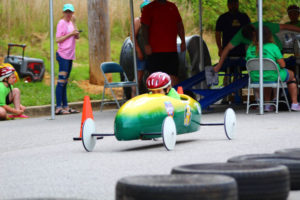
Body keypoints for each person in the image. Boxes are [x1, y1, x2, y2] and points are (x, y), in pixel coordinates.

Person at [246, 26, 300, 111]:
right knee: (292, 76)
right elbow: (283, 65)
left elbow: (248, 62)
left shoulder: (250, 48)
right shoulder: (272, 47)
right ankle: (295, 103)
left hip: (255, 77)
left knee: (265, 76)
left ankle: (267, 105)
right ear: (269, 35)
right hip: (273, 76)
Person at [214, 21, 300, 73]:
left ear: (255, 32)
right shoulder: (240, 35)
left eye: (254, 38)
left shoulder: (265, 27)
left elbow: (285, 26)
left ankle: (274, 97)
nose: (254, 40)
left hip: (274, 50)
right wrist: (219, 65)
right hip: (259, 56)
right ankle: (266, 100)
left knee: (271, 74)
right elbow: (227, 48)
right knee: (266, 76)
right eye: (251, 39)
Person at [141, 0, 186, 86]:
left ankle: (172, 96)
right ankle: (158, 98)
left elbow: (179, 24)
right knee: (156, 77)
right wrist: (146, 44)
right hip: (155, 51)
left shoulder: (172, 6)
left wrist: (183, 41)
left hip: (171, 49)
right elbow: (144, 27)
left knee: (173, 76)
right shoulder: (149, 8)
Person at [55, 3, 80, 115]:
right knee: (61, 81)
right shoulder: (62, 23)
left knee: (65, 81)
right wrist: (70, 34)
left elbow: (77, 36)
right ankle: (58, 107)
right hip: (63, 55)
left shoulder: (71, 23)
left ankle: (65, 106)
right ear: (63, 12)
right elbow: (58, 39)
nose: (68, 14)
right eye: (67, 12)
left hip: (70, 55)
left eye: (70, 12)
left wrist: (74, 24)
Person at [215, 0, 250, 70]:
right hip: (227, 52)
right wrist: (220, 48)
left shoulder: (244, 17)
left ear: (238, 4)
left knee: (241, 70)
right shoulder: (223, 18)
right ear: (228, 5)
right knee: (225, 69)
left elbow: (250, 32)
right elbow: (217, 33)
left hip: (243, 51)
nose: (233, 5)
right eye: (231, 3)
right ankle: (226, 80)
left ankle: (241, 80)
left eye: (235, 3)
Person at [131, 0, 150, 97]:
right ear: (142, 9)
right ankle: (133, 97)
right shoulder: (138, 21)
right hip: (141, 53)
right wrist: (138, 51)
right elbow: (132, 37)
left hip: (151, 53)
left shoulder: (152, 21)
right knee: (138, 76)